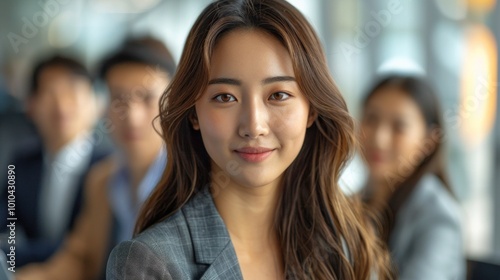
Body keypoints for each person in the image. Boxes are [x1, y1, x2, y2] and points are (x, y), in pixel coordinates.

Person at [107, 1, 393, 279]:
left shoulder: (346, 244)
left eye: (278, 95)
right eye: (225, 97)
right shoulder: (150, 263)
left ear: (312, 110)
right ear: (193, 114)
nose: (254, 126)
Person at [15, 37, 175, 280]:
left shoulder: (191, 180)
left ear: (172, 102)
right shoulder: (102, 180)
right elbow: (79, 258)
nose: (132, 116)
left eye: (146, 98)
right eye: (118, 98)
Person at [0, 55, 111, 266]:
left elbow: (87, 247)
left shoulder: (108, 167)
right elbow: (7, 216)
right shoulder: (22, 162)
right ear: (30, 106)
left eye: (72, 92)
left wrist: (10, 254)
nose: (61, 105)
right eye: (50, 93)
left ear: (95, 104)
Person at [359, 75, 465, 279]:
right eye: (371, 119)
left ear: (429, 141)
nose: (379, 139)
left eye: (399, 126)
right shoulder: (350, 203)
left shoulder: (440, 217)